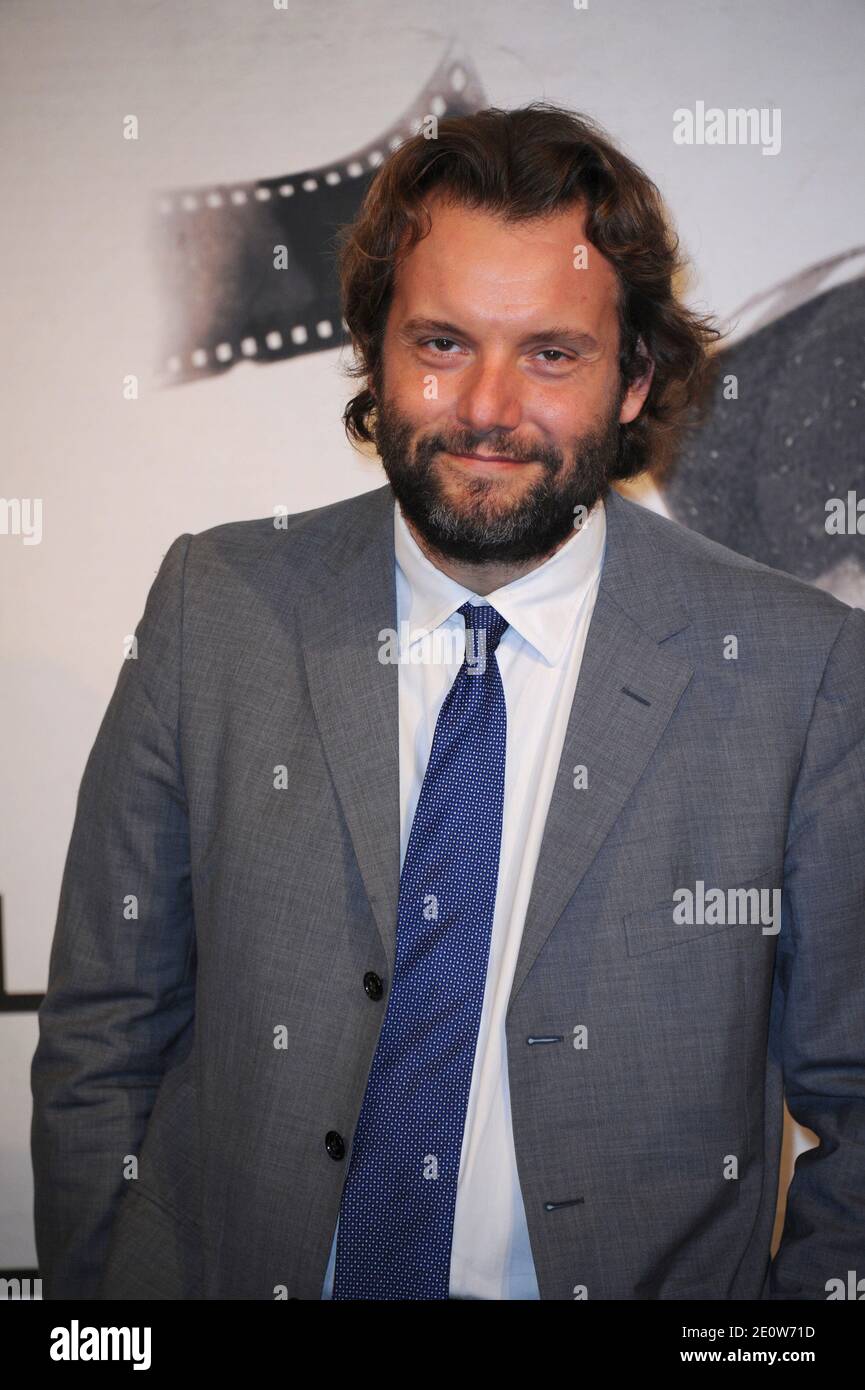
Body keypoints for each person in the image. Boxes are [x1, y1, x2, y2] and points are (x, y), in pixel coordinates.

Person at [31, 102, 865, 1300]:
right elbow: (102, 1032)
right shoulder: (213, 607)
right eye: (440, 343)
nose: (485, 407)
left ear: (633, 377)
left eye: (550, 353)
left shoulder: (799, 666)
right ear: (375, 350)